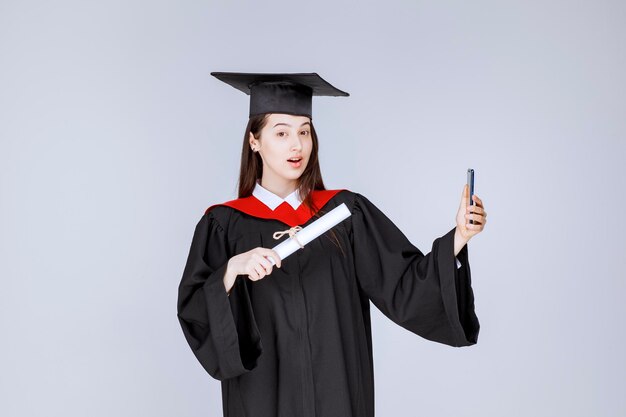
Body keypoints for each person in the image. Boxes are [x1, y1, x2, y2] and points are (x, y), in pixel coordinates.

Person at [176, 72, 487, 417]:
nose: (297, 145)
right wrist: (232, 270)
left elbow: (404, 284)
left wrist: (459, 237)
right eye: (281, 133)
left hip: (337, 395)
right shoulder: (224, 224)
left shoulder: (344, 214)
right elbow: (197, 310)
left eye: (304, 132)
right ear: (254, 141)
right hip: (263, 398)